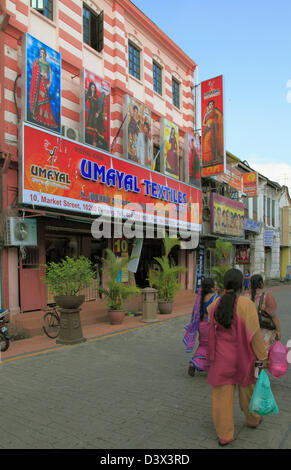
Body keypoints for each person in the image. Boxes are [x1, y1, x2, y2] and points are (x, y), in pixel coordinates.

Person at [207, 268, 268, 446]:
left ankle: (225, 435)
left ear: (225, 285)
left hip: (221, 361)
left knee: (221, 401)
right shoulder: (246, 305)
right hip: (245, 360)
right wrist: (262, 358)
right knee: (249, 392)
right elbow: (255, 335)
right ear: (243, 285)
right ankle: (253, 419)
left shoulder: (215, 305)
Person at [188, 278, 219, 376]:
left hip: (201, 325)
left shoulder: (201, 298)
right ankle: (214, 367)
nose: (216, 286)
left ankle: (194, 363)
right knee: (213, 347)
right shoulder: (215, 298)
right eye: (214, 284)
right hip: (211, 325)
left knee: (202, 346)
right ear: (211, 287)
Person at [29, 47, 58, 130]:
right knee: (39, 97)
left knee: (44, 98)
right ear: (40, 53)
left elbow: (51, 74)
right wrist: (40, 73)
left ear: (45, 54)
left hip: (45, 81)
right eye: (41, 52)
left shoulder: (48, 64)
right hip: (39, 80)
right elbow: (35, 69)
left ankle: (45, 118)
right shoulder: (37, 61)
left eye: (43, 53)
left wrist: (50, 83)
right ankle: (37, 115)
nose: (42, 54)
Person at [250, 274, 281, 350]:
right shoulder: (267, 296)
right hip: (264, 332)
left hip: (251, 331)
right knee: (265, 355)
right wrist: (278, 331)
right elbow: (273, 316)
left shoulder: (247, 296)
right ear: (261, 283)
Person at [85, 81, 107, 149]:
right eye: (92, 87)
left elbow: (100, 106)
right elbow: (84, 100)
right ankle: (88, 140)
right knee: (89, 126)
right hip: (91, 113)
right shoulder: (88, 95)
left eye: (94, 87)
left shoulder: (96, 97)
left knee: (95, 128)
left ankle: (95, 142)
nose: (93, 89)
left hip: (96, 114)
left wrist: (98, 112)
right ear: (90, 88)